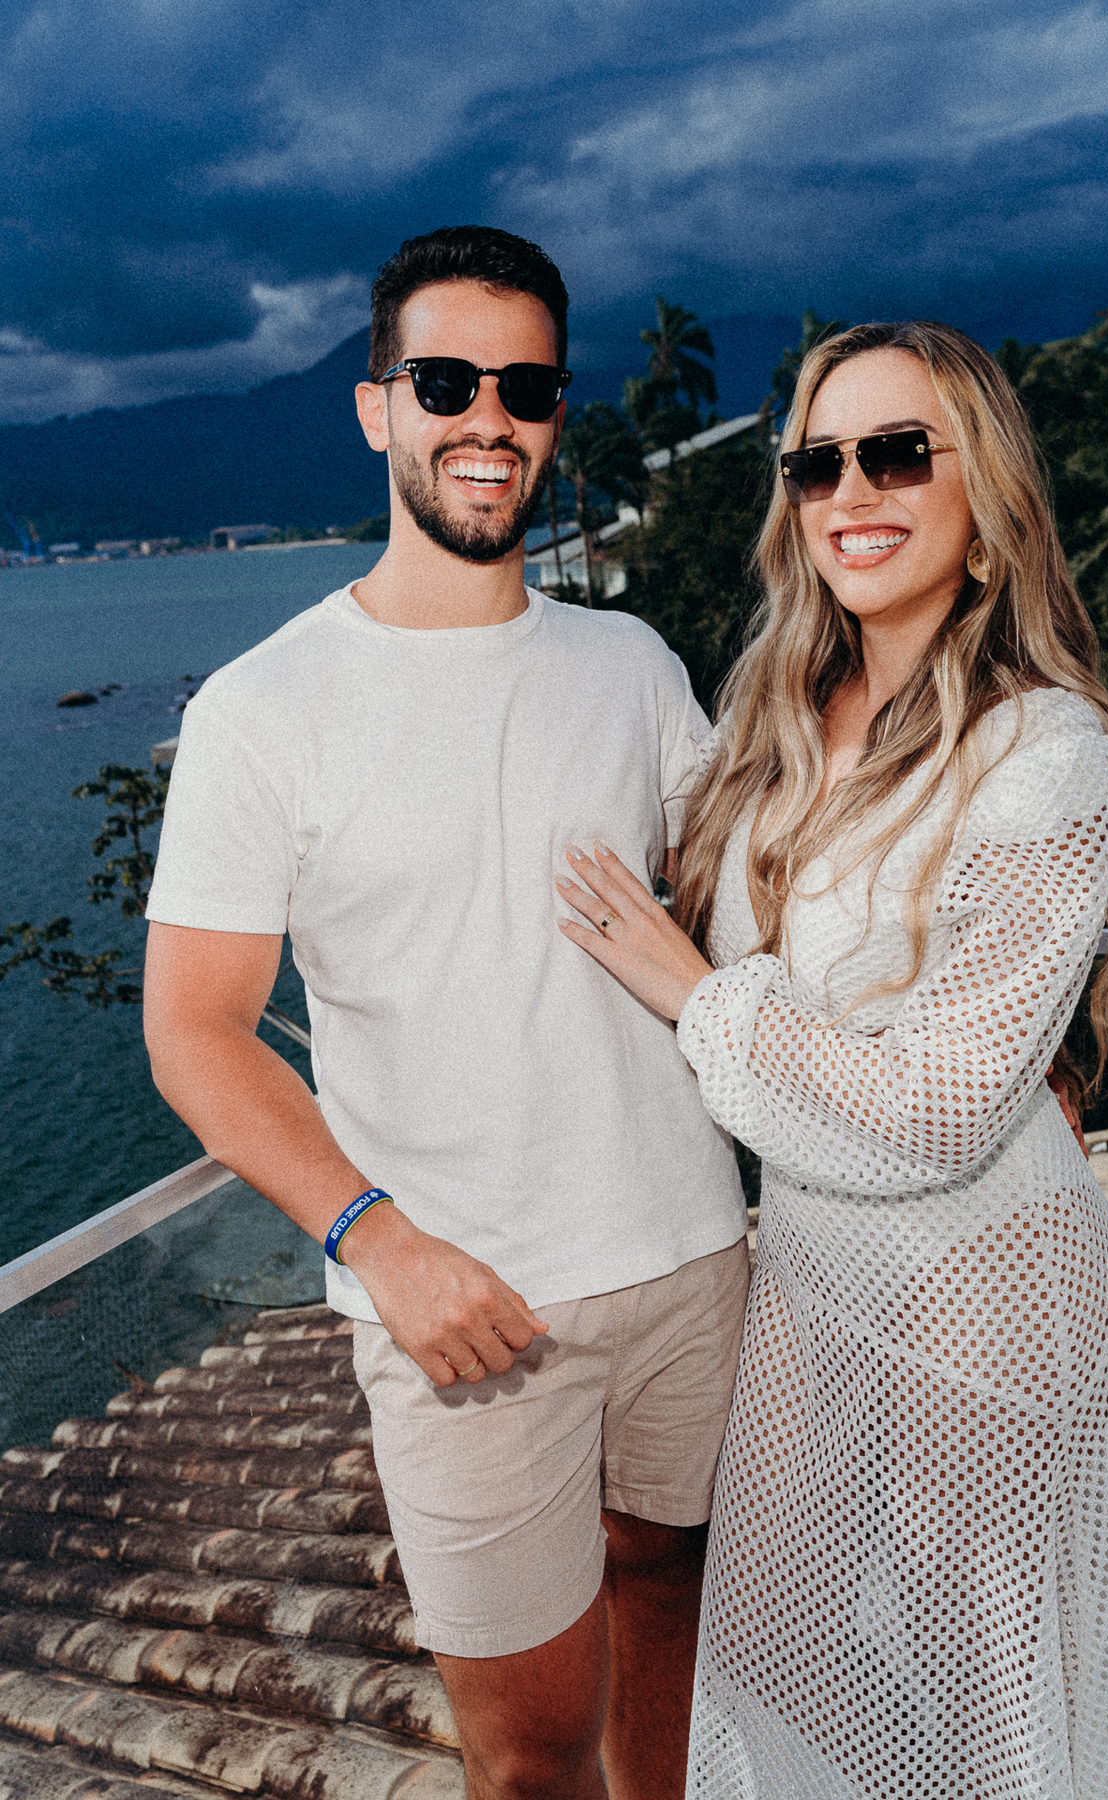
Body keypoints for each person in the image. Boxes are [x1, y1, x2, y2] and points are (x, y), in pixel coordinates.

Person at [141, 225, 750, 1800]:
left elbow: (759, 902)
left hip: (695, 1259)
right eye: (447, 381)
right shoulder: (262, 708)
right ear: (376, 407)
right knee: (530, 1757)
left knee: (675, 1607)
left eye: (526, 388)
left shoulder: (631, 664)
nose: (490, 417)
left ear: (557, 417)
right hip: (467, 1312)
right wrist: (381, 1244)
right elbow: (195, 1029)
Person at [555, 320, 1108, 1797]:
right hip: (806, 1290)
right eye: (817, 462)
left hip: (982, 1303)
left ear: (986, 495)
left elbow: (941, 1109)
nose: (853, 491)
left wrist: (700, 997)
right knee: (788, 1689)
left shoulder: (1049, 755)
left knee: (979, 1726)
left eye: (900, 453)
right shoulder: (762, 722)